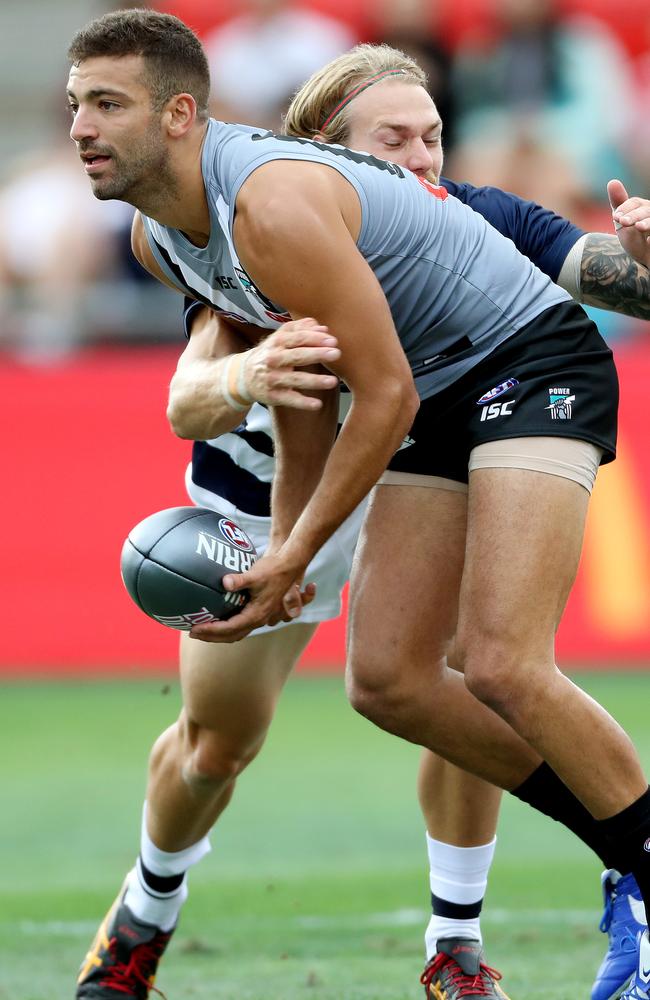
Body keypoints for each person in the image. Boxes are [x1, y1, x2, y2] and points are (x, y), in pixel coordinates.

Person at [65, 14, 650, 999]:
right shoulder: (186, 228)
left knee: (495, 661)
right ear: (322, 149)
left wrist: (644, 255)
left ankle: (480, 931)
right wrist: (283, 529)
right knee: (371, 687)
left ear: (177, 114)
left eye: (429, 134)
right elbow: (193, 402)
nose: (420, 156)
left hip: (499, 377)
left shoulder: (321, 205)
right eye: (392, 141)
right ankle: (144, 911)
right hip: (314, 449)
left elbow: (402, 388)